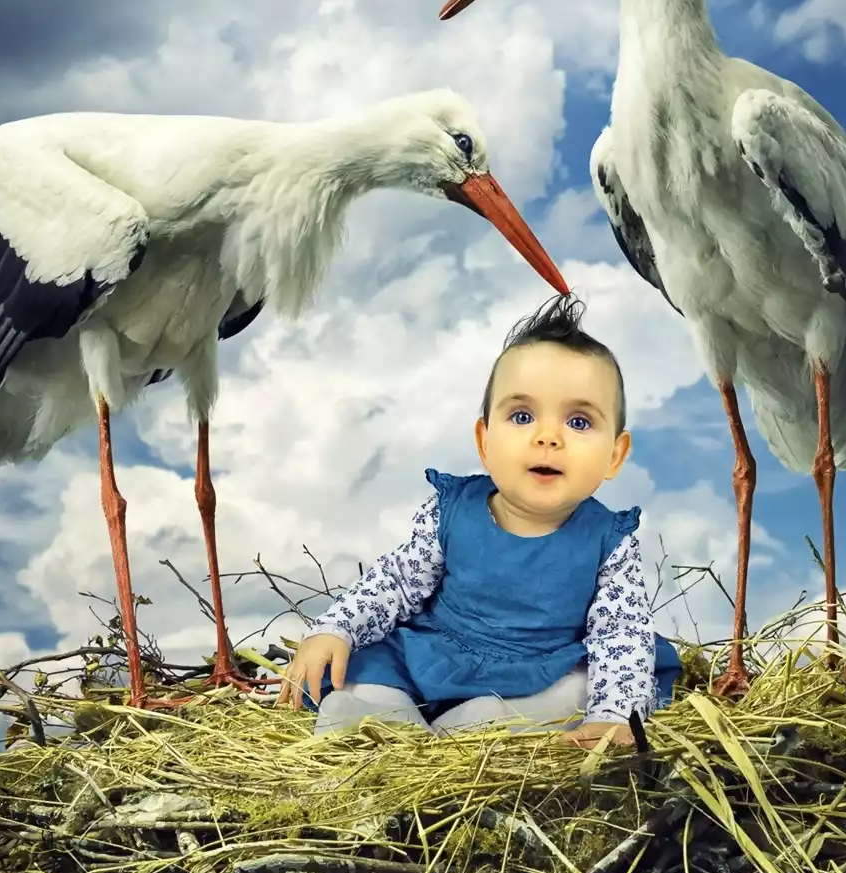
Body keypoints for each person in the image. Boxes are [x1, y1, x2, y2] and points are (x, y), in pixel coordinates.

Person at [275, 294, 680, 748]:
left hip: (535, 671)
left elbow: (620, 634)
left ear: (615, 456)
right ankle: (377, 713)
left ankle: (485, 723)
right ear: (484, 442)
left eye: (580, 422)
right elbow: (395, 584)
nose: (548, 437)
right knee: (362, 677)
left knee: (579, 689)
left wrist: (613, 715)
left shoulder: (609, 542)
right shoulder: (453, 510)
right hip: (432, 657)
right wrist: (336, 628)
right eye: (522, 416)